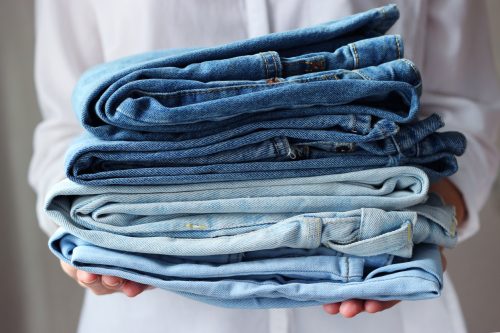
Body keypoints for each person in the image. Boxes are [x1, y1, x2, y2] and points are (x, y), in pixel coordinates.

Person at [29, 0, 500, 332]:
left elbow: (466, 112)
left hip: (378, 288)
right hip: (155, 311)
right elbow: (63, 127)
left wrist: (424, 224)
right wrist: (82, 235)